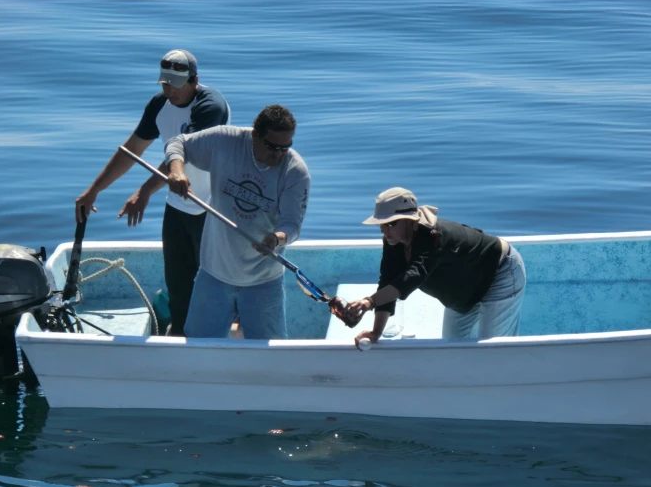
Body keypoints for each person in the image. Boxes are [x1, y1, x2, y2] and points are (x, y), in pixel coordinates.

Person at [74, 49, 230, 336]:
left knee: (215, 282)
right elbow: (132, 149)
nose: (169, 89)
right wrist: (93, 190)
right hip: (177, 207)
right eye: (164, 82)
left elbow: (184, 152)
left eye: (176, 83)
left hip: (213, 208)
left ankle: (226, 338)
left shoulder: (211, 106)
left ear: (194, 80)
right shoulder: (160, 103)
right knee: (178, 285)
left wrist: (144, 191)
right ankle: (180, 335)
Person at [164, 104, 310, 340]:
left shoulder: (295, 171)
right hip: (214, 273)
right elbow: (177, 143)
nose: (279, 154)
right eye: (272, 147)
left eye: (286, 147)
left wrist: (277, 238)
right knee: (198, 350)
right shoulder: (226, 141)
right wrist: (177, 169)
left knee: (269, 360)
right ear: (255, 135)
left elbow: (292, 225)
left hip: (264, 279)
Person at [345, 187, 526, 347]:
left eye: (391, 223)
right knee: (451, 347)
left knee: (494, 350)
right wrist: (376, 332)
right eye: (381, 224)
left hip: (500, 272)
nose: (384, 231)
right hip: (466, 288)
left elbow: (414, 276)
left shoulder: (433, 237)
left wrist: (369, 301)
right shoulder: (393, 241)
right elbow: (387, 281)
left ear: (410, 220)